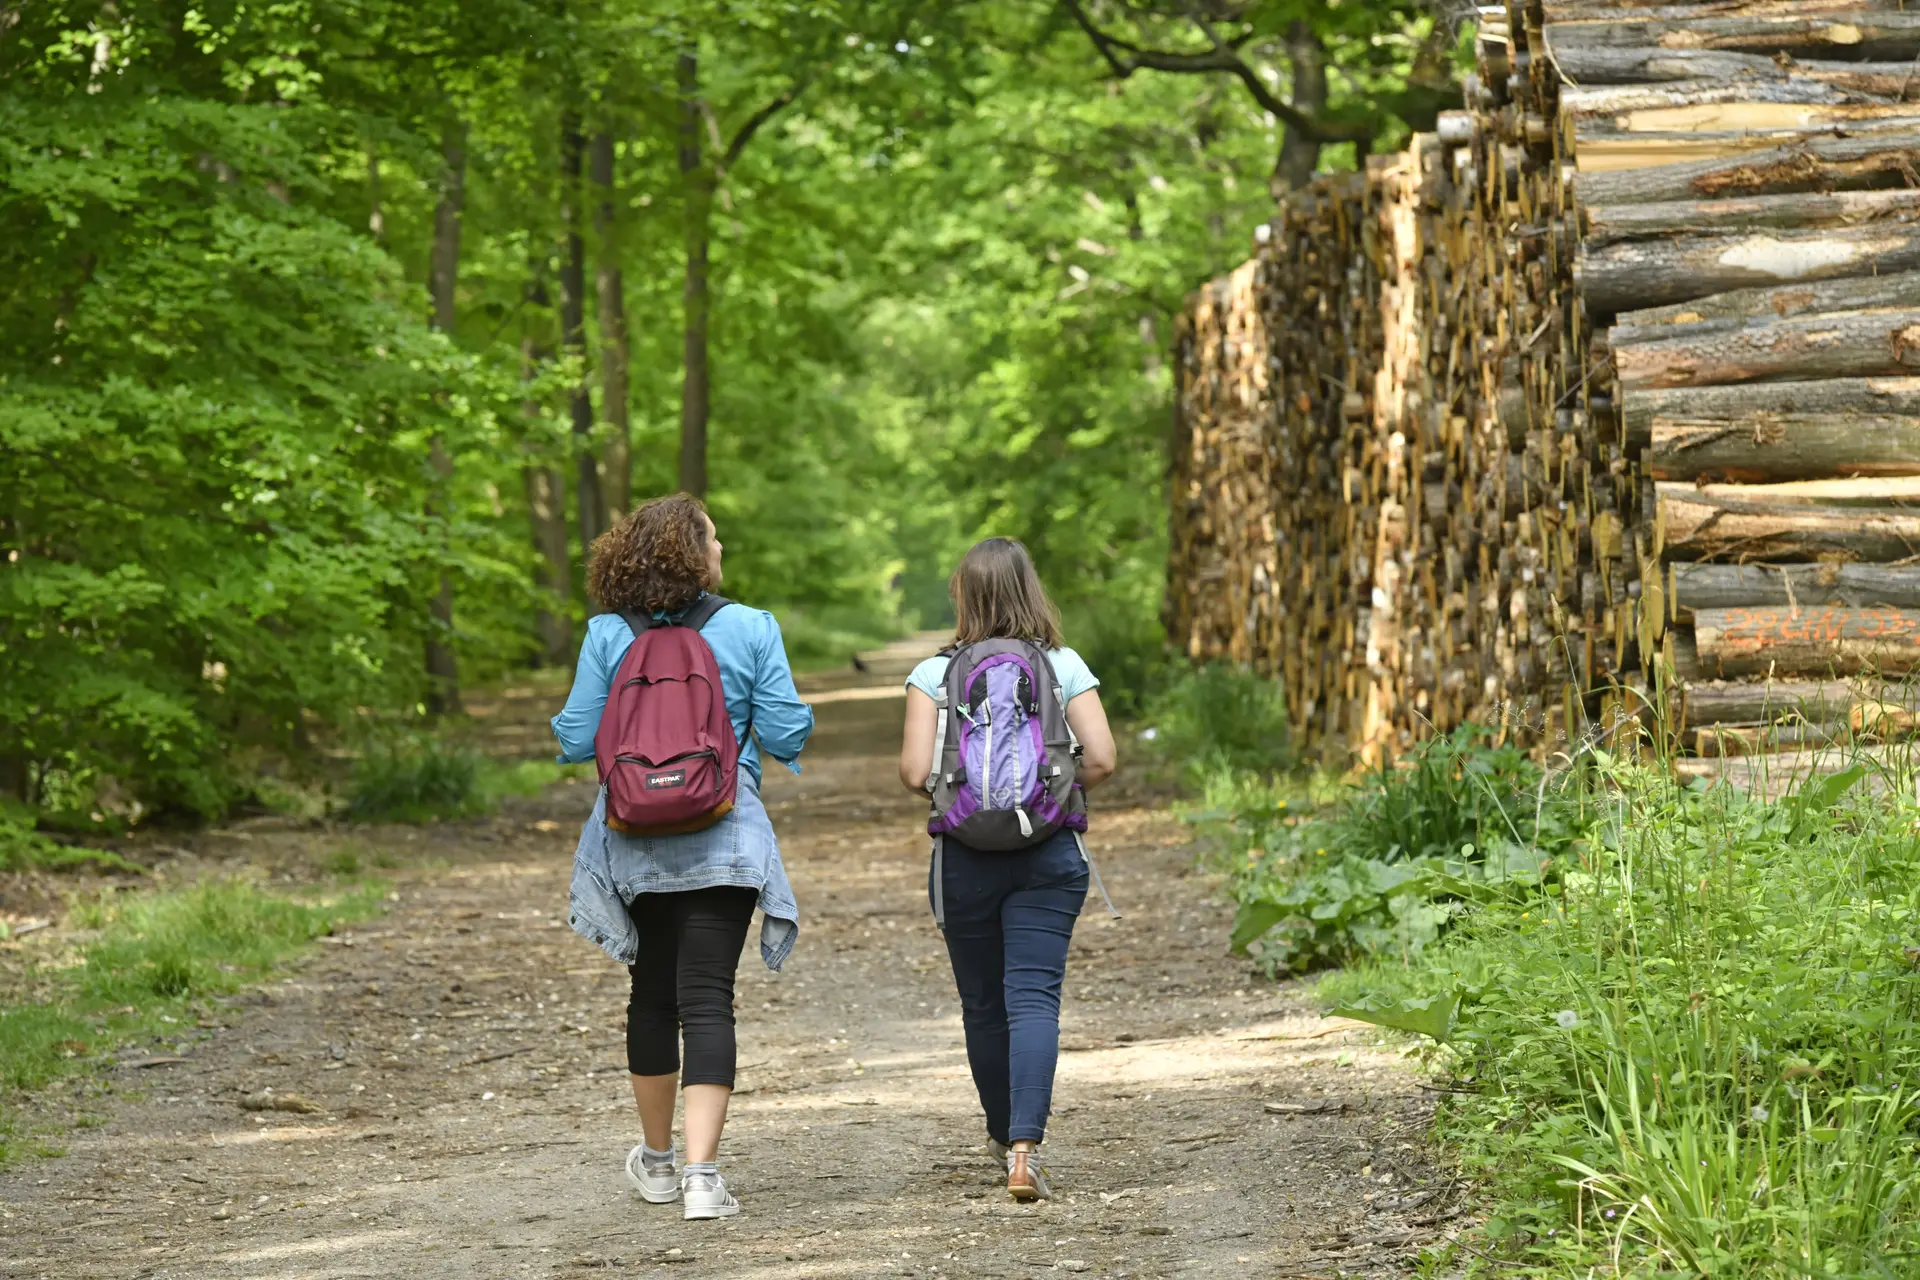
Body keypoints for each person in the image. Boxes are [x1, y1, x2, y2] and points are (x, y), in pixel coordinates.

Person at [553, 493, 813, 1221]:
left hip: (633, 839)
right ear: (694, 553)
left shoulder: (608, 634)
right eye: (715, 538)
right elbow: (789, 735)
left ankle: (659, 1164)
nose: (722, 549)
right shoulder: (751, 628)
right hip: (726, 835)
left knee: (652, 995)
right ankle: (704, 1178)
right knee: (708, 999)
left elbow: (575, 741)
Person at [896, 537, 1117, 1202]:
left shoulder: (933, 675)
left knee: (983, 1005)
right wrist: (1046, 794)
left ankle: (1000, 1134)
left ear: (963, 594)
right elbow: (1102, 757)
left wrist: (967, 796)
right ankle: (1026, 1149)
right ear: (1030, 590)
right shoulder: (1063, 664)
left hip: (963, 858)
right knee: (1034, 998)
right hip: (1049, 854)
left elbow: (912, 772)